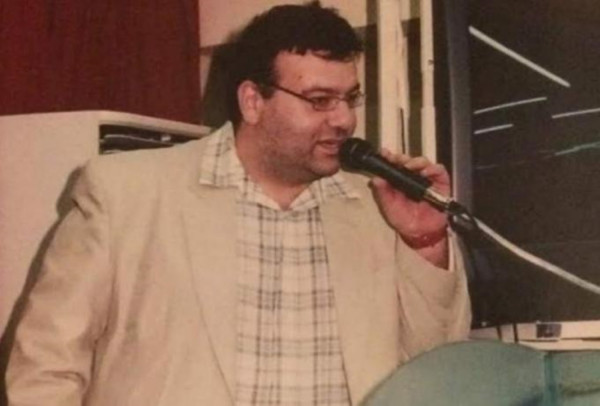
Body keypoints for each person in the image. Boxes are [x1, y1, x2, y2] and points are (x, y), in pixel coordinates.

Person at [6, 2, 471, 405]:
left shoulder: (376, 210)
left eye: (350, 98)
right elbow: (46, 365)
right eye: (319, 100)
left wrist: (424, 240)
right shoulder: (126, 193)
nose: (344, 119)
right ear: (252, 101)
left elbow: (437, 368)